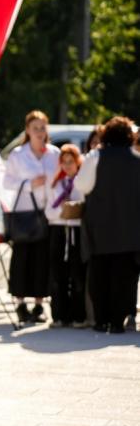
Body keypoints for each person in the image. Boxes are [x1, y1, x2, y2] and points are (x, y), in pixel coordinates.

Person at [76, 116, 140, 334]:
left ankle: (101, 319)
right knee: (125, 277)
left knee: (99, 274)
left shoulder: (95, 157)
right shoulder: (137, 160)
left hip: (100, 228)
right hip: (129, 230)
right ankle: (118, 320)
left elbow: (81, 186)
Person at [4, 110, 60, 324]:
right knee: (22, 259)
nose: (39, 132)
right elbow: (7, 183)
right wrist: (29, 185)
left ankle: (39, 304)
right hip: (24, 214)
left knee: (42, 260)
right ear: (27, 130)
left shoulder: (54, 154)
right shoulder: (18, 154)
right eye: (35, 128)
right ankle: (20, 304)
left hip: (47, 213)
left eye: (42, 127)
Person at [45, 145, 87, 328]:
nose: (68, 166)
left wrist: (71, 210)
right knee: (58, 274)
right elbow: (49, 211)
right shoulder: (57, 184)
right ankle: (59, 316)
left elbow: (83, 209)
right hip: (59, 231)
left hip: (75, 231)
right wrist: (64, 211)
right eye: (64, 162)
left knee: (77, 273)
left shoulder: (82, 184)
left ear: (78, 163)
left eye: (71, 162)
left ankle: (78, 315)